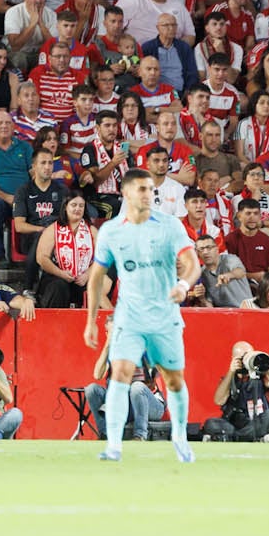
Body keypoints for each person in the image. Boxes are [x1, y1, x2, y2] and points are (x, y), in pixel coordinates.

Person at [83, 167, 201, 462]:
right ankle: (113, 446)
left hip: (165, 314)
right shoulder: (111, 230)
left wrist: (184, 285)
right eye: (142, 189)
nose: (149, 194)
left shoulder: (170, 225)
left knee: (174, 380)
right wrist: (91, 322)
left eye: (151, 189)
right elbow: (96, 276)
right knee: (121, 374)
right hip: (129, 316)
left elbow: (192, 263)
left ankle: (180, 438)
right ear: (125, 192)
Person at [206, 342, 269, 443]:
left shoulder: (261, 376)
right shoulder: (230, 379)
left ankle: (235, 438)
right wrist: (231, 372)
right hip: (236, 425)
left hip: (258, 423)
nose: (245, 360)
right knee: (211, 423)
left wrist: (264, 360)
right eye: (242, 358)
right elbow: (218, 400)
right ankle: (250, 438)